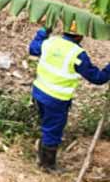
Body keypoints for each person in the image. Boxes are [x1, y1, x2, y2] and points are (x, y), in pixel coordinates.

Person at [29, 21, 110, 172]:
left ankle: (41, 157)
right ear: (80, 36)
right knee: (53, 130)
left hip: (39, 92)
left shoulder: (50, 42)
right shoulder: (77, 54)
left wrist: (44, 31)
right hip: (56, 99)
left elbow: (33, 49)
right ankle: (47, 165)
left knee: (47, 125)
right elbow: (97, 78)